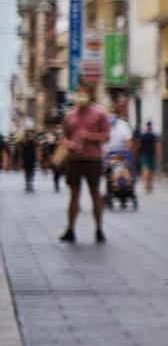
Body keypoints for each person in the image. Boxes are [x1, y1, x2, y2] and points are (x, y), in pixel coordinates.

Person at [60, 83, 109, 244]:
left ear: (89, 94)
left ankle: (99, 229)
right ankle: (70, 229)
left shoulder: (99, 114)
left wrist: (89, 136)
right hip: (74, 159)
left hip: (92, 158)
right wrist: (69, 144)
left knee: (95, 193)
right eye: (78, 93)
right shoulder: (69, 115)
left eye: (83, 93)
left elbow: (106, 136)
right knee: (74, 194)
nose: (80, 96)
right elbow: (64, 137)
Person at [138, 121, 159, 193]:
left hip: (144, 154)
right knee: (151, 170)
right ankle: (150, 184)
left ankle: (146, 185)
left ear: (146, 127)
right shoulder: (153, 136)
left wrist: (138, 153)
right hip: (152, 154)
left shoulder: (142, 136)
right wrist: (158, 155)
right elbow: (157, 146)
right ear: (151, 127)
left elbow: (139, 145)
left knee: (145, 169)